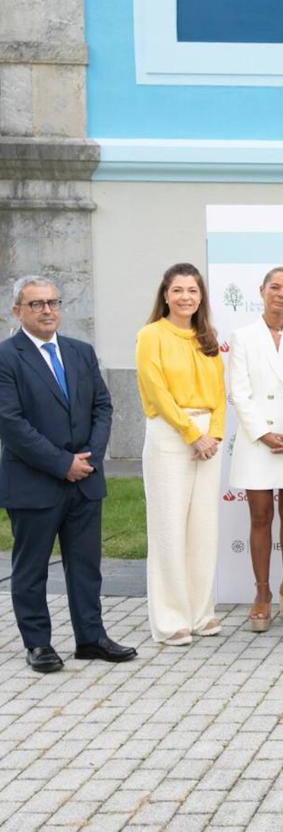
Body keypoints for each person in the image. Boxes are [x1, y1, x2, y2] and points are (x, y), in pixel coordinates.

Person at [0, 276, 136, 672]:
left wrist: (88, 459)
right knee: (31, 568)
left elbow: (103, 406)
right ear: (17, 311)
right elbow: (10, 422)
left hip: (85, 480)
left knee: (85, 565)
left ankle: (91, 638)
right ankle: (38, 644)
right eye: (36, 304)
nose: (47, 310)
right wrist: (63, 464)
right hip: (34, 482)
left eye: (53, 302)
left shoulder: (80, 352)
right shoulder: (7, 357)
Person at [136, 262, 227, 646]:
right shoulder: (151, 335)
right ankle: (171, 619)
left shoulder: (207, 337)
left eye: (192, 290)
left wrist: (215, 435)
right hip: (171, 436)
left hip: (209, 438)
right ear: (165, 294)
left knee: (202, 529)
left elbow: (221, 392)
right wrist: (192, 434)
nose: (185, 297)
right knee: (169, 528)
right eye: (178, 290)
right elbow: (156, 391)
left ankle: (200, 612)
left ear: (201, 296)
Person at [228, 267, 283, 632]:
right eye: (275, 287)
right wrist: (264, 433)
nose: (281, 294)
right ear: (261, 290)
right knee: (260, 516)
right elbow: (239, 392)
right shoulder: (243, 336)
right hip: (257, 440)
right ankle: (262, 592)